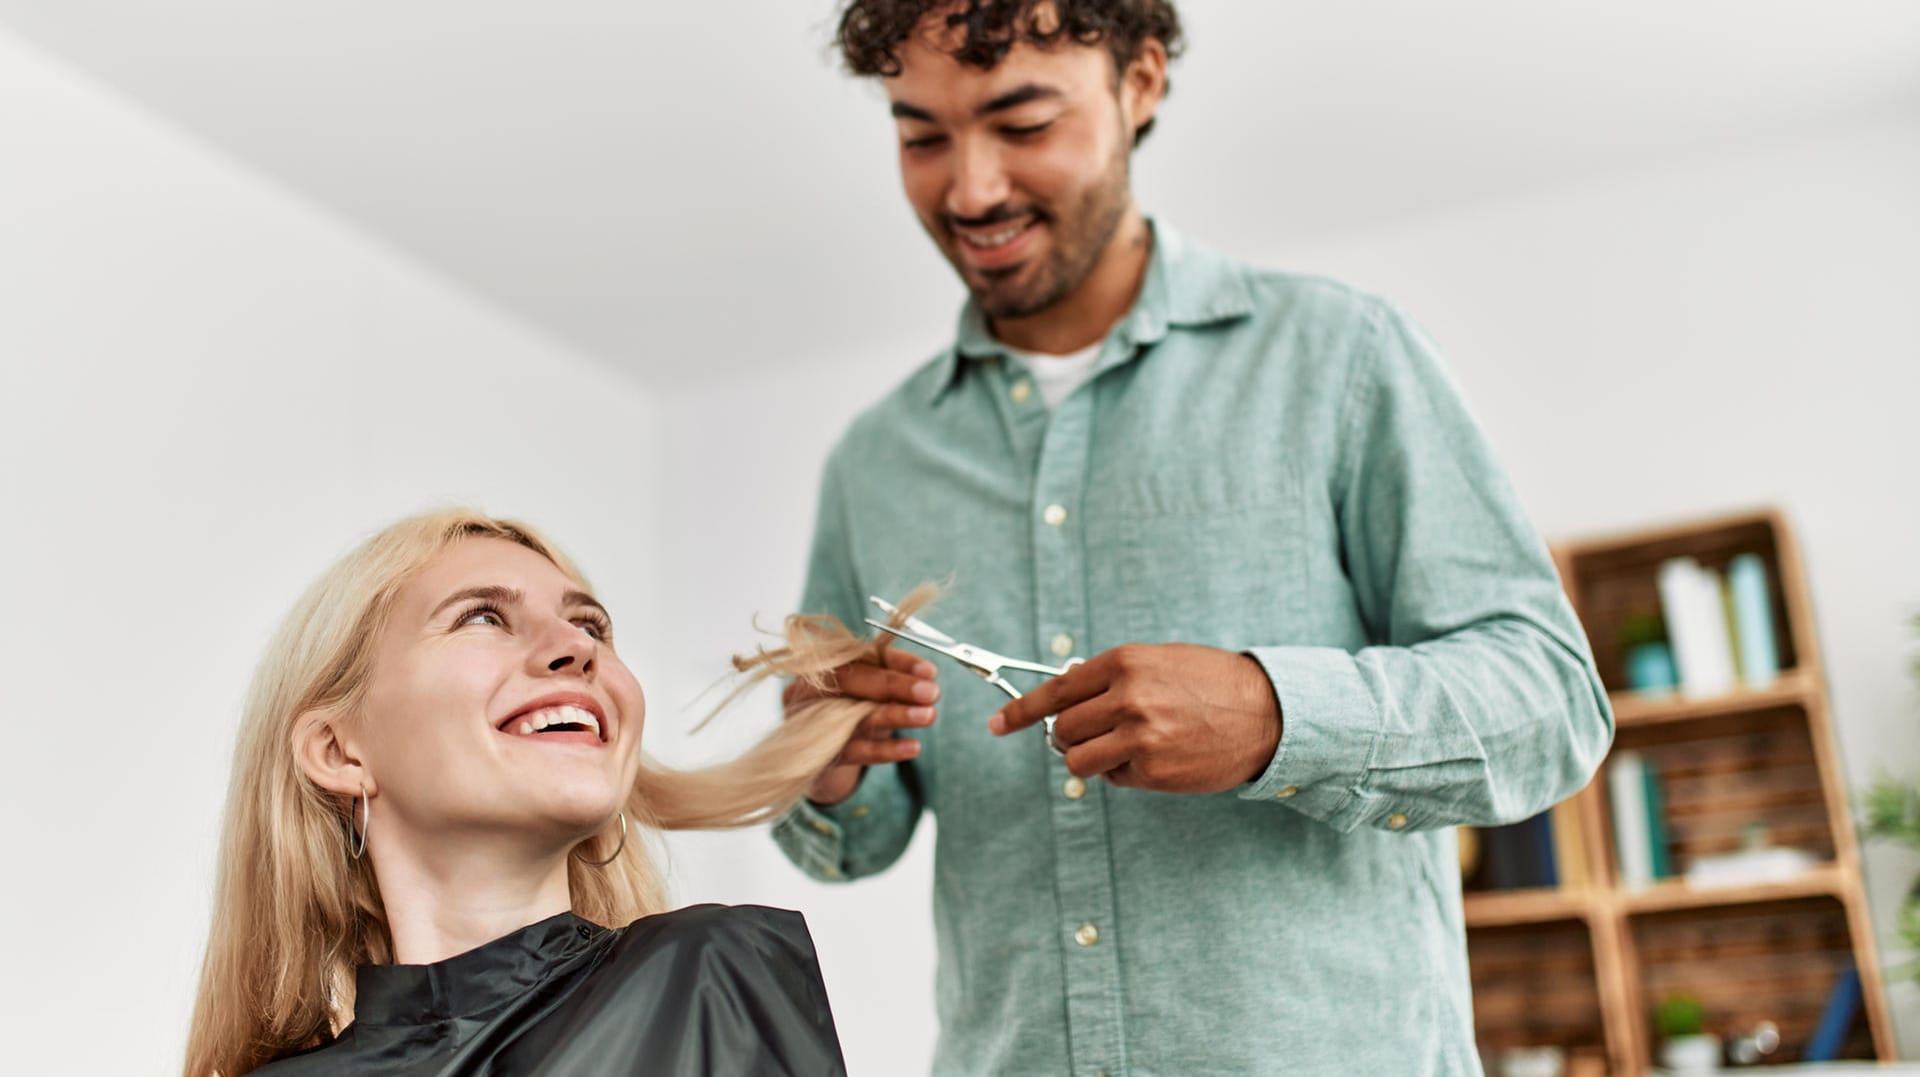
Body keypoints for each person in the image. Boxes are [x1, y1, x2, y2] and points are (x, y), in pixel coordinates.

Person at [770, 2, 1615, 1074]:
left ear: (1140, 83)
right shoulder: (874, 464)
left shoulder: (1340, 356)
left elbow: (1551, 704)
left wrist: (1275, 715)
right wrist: (828, 769)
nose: (970, 190)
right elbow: (851, 844)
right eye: (921, 135)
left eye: (1023, 124)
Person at [184, 509, 876, 1077]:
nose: (576, 648)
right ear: (339, 751)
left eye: (592, 625)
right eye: (482, 616)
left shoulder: (708, 978)